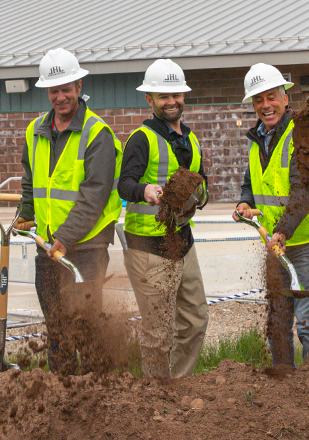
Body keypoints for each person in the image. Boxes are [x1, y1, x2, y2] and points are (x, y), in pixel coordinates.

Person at [15, 48, 121, 375]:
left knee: (86, 328)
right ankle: (61, 393)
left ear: (78, 86)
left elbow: (95, 195)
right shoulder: (36, 131)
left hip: (84, 249)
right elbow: (31, 183)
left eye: (65, 89)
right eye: (53, 90)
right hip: (48, 247)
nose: (60, 97)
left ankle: (93, 393)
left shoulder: (96, 133)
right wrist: (24, 213)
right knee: (57, 329)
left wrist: (65, 237)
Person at [232, 63, 309, 367]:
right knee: (277, 323)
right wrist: (244, 203)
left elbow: (303, 191)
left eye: (271, 97)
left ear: (285, 98)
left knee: (306, 322)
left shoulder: (303, 135)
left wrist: (283, 230)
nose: (266, 105)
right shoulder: (257, 138)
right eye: (259, 100)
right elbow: (251, 182)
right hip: (277, 244)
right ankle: (284, 390)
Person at [117, 59, 208, 378]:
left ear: (183, 97)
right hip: (147, 249)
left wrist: (201, 196)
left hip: (183, 243)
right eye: (163, 96)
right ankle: (155, 396)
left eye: (176, 95)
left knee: (196, 321)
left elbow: (203, 181)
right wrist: (146, 191)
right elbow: (124, 184)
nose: (171, 102)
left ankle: (177, 385)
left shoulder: (192, 139)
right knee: (158, 333)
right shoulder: (141, 139)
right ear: (150, 100)